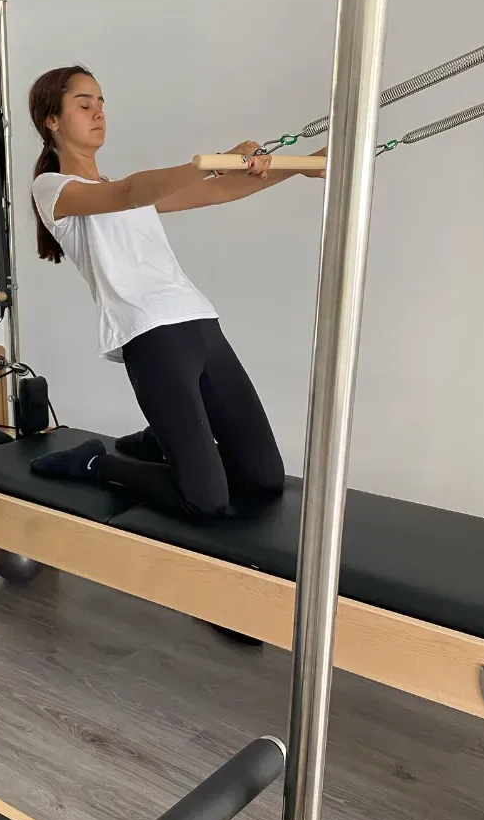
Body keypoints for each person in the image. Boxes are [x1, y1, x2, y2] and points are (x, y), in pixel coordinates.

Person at [29, 64, 325, 519]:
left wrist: (297, 169)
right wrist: (209, 161)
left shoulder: (120, 189)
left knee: (264, 478)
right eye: (84, 104)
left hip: (201, 325)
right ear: (52, 120)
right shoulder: (54, 189)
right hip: (152, 339)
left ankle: (159, 437)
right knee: (205, 500)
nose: (98, 113)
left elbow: (219, 192)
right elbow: (130, 192)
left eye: (102, 103)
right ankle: (94, 461)